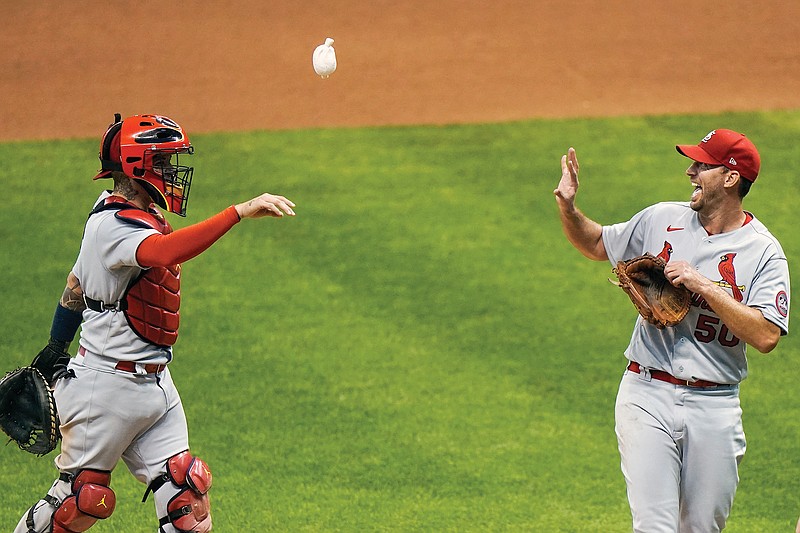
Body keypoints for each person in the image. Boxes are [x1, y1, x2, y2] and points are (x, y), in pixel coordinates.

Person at [15, 113, 296, 533]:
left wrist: (56, 346)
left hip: (157, 386)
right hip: (106, 389)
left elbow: (76, 283)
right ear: (137, 165)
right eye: (163, 161)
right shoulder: (112, 225)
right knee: (78, 503)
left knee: (187, 500)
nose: (171, 171)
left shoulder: (132, 214)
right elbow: (164, 253)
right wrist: (236, 212)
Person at [553, 129, 790, 532]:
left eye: (702, 165)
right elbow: (596, 244)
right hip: (646, 392)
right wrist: (569, 208)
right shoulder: (662, 218)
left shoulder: (764, 252)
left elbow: (766, 335)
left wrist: (703, 287)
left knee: (700, 528)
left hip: (715, 406)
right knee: (655, 526)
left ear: (731, 178)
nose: (690, 171)